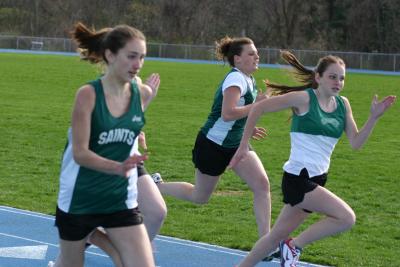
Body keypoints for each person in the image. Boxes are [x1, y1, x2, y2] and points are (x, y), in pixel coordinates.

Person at [229, 51, 396, 267]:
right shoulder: (305, 98)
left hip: (317, 179)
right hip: (298, 179)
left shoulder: (343, 105)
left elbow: (355, 142)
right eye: (332, 76)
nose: (338, 82)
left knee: (273, 238)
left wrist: (373, 117)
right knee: (346, 218)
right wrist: (243, 145)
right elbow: (259, 107)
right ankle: (293, 246)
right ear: (318, 77)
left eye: (342, 78)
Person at [50, 22, 161, 267]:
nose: (138, 64)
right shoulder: (88, 94)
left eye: (142, 57)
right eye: (132, 56)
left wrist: (136, 135)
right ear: (110, 55)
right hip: (80, 198)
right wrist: (117, 166)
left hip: (120, 199)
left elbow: (127, 124)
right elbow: (79, 153)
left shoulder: (141, 93)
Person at [155, 36, 273, 243]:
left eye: (256, 52)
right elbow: (227, 113)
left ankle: (266, 242)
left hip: (236, 144)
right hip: (212, 145)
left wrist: (246, 128)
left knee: (262, 184)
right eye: (251, 53)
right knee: (199, 197)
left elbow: (233, 116)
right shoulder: (236, 79)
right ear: (237, 59)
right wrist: (258, 105)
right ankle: (156, 186)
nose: (257, 56)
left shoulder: (249, 80)